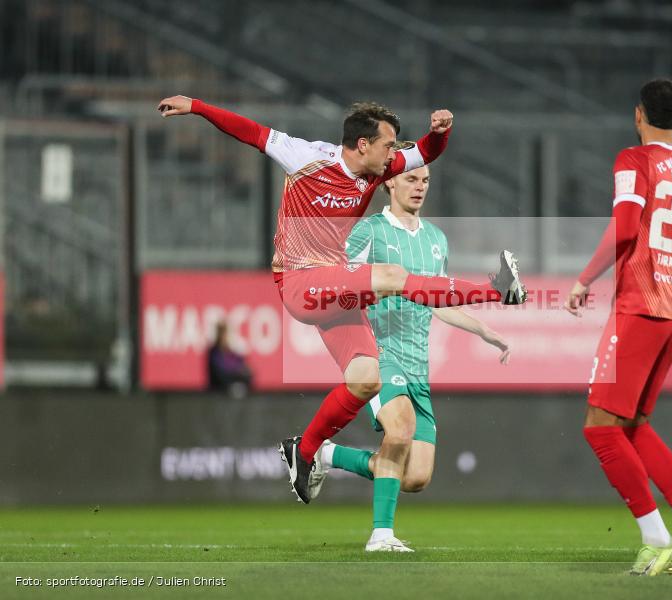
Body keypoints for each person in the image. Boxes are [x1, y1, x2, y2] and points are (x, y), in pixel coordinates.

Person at [157, 96, 527, 505]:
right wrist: (195, 105)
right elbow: (248, 130)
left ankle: (308, 451)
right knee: (392, 277)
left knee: (367, 377)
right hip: (300, 281)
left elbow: (426, 152)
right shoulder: (306, 157)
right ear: (363, 145)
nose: (395, 156)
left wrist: (441, 133)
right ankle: (497, 290)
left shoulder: (379, 168)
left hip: (338, 289)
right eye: (389, 145)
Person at [565, 79, 672, 576]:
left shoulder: (633, 160)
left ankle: (655, 538)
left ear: (638, 114)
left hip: (638, 309)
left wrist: (583, 279)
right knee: (634, 427)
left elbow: (624, 227)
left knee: (600, 429)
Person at [308, 157, 510, 552]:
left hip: (419, 365)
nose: (420, 186)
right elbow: (338, 285)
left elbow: (439, 301)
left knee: (415, 476)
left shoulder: (436, 239)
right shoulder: (369, 231)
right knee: (399, 431)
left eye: (426, 179)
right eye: (411, 178)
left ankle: (325, 454)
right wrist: (374, 290)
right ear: (390, 184)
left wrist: (487, 331)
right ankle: (381, 535)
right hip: (379, 352)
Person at [207, 321, 253, 398]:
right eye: (222, 333)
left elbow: (245, 369)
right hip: (219, 392)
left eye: (226, 333)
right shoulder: (214, 353)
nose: (224, 337)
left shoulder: (233, 353)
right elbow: (219, 374)